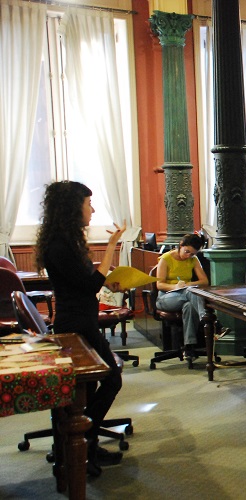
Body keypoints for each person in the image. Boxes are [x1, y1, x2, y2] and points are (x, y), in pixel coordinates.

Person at [35, 181, 126, 476]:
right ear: (74, 208)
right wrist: (113, 246)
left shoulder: (66, 241)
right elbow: (87, 286)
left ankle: (81, 440)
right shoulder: (60, 245)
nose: (93, 209)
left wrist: (108, 276)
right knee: (111, 380)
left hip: (81, 320)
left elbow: (85, 279)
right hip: (75, 326)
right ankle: (81, 439)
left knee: (91, 388)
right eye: (89, 203)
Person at [155, 234, 210, 355]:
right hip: (165, 297)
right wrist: (175, 286)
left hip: (185, 293)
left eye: (192, 254)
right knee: (191, 292)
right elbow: (159, 284)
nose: (188, 256)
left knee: (189, 307)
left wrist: (187, 284)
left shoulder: (193, 260)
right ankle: (207, 320)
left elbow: (204, 281)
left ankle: (189, 345)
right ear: (181, 245)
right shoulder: (166, 259)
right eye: (187, 252)